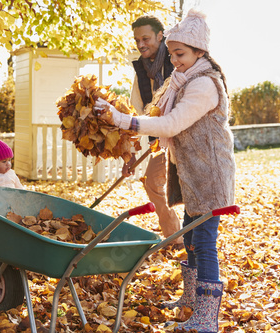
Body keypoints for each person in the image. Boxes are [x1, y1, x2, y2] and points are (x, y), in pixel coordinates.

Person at [96, 9, 235, 332]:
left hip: (208, 174)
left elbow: (171, 123)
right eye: (171, 54)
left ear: (200, 52)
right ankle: (190, 299)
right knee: (189, 235)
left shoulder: (204, 85)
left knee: (204, 241)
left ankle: (206, 317)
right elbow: (158, 116)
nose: (174, 61)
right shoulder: (183, 80)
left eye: (180, 54)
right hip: (189, 173)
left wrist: (122, 121)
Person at [126, 14, 182, 245]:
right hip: (159, 141)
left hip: (184, 136)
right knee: (152, 183)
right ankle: (174, 236)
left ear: (160, 36)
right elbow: (135, 114)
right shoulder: (141, 72)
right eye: (137, 40)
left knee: (188, 188)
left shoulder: (178, 60)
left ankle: (196, 241)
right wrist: (129, 153)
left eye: (146, 38)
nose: (141, 45)